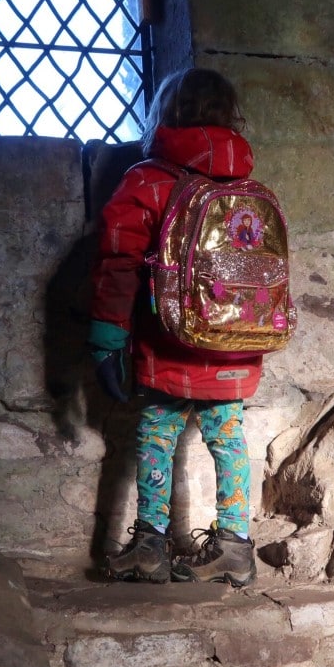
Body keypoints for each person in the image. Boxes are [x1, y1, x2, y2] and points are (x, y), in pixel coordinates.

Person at [88, 67, 261, 587]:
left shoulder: (147, 181)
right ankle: (235, 546)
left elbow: (117, 261)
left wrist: (106, 336)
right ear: (230, 116)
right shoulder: (249, 187)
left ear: (166, 114)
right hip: (234, 341)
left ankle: (149, 546)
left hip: (170, 340)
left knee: (156, 433)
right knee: (228, 436)